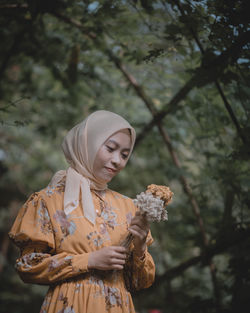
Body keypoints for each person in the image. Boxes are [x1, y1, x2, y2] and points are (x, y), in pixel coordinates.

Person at [9, 110, 155, 313]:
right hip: (68, 305)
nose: (117, 161)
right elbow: (28, 266)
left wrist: (139, 247)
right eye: (110, 148)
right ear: (88, 144)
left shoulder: (129, 207)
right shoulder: (48, 200)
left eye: (124, 154)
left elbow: (140, 283)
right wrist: (89, 260)